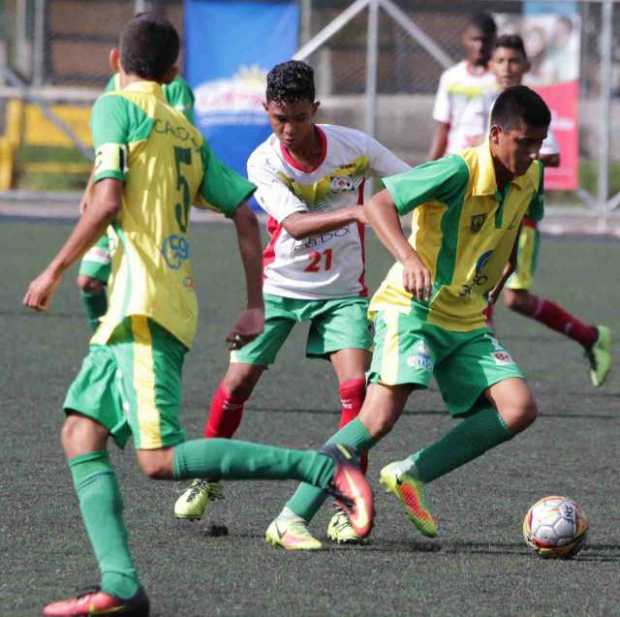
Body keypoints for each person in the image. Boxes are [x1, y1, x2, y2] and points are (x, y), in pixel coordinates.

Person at [23, 16, 373, 617]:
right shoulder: (184, 128)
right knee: (81, 434)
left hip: (142, 301)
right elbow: (245, 208)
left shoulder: (117, 108)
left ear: (115, 63)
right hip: (155, 305)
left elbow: (107, 199)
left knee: (158, 459)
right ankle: (122, 587)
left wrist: (53, 268)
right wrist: (253, 302)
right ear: (176, 71)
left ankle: (316, 468)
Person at [274, 85, 555, 543]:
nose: (531, 153)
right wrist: (409, 259)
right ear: (496, 134)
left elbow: (521, 228)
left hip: (465, 317)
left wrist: (498, 278)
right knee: (379, 417)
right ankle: (290, 517)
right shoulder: (456, 170)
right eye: (523, 142)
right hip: (412, 308)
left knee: (518, 407)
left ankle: (412, 473)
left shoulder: (532, 176)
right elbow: (378, 204)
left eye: (538, 143)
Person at [173, 59, 409, 549]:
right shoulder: (263, 161)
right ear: (266, 109)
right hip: (279, 290)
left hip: (342, 293)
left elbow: (409, 182)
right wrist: (361, 211)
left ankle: (346, 507)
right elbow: (297, 225)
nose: (287, 128)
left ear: (314, 110)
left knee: (356, 396)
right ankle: (209, 475)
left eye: (297, 118)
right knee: (237, 382)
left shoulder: (353, 147)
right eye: (278, 117)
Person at [483, 35, 612, 387]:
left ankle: (589, 337)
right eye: (500, 61)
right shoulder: (485, 101)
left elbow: (552, 155)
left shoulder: (531, 108)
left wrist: (519, 153)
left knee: (508, 296)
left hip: (518, 220)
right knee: (485, 292)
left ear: (526, 66)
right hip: (482, 214)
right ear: (490, 65)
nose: (507, 68)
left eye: (514, 61)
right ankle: (482, 374)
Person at [77, 46, 196, 331]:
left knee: (144, 298)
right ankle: (104, 347)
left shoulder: (176, 89)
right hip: (114, 197)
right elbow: (108, 145)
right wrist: (91, 188)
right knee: (88, 281)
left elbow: (184, 139)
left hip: (148, 208)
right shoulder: (114, 86)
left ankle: (124, 352)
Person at [428, 11, 497, 160]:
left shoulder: (501, 80)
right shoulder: (451, 77)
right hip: (455, 161)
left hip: (487, 163)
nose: (479, 46)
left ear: (493, 41)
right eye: (474, 40)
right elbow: (442, 128)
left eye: (484, 40)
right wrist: (428, 168)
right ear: (464, 39)